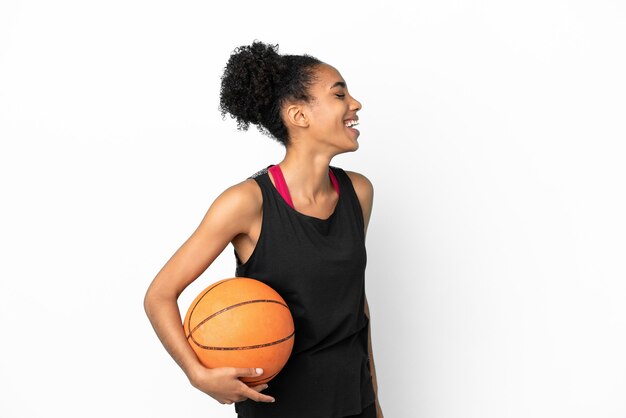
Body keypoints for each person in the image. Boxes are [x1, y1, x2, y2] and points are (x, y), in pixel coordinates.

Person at [144, 40, 384, 418]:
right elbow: (159, 295)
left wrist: (375, 399)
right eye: (339, 94)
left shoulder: (359, 192)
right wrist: (197, 374)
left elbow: (356, 305)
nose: (355, 104)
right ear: (298, 115)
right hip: (279, 408)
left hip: (355, 403)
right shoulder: (246, 203)